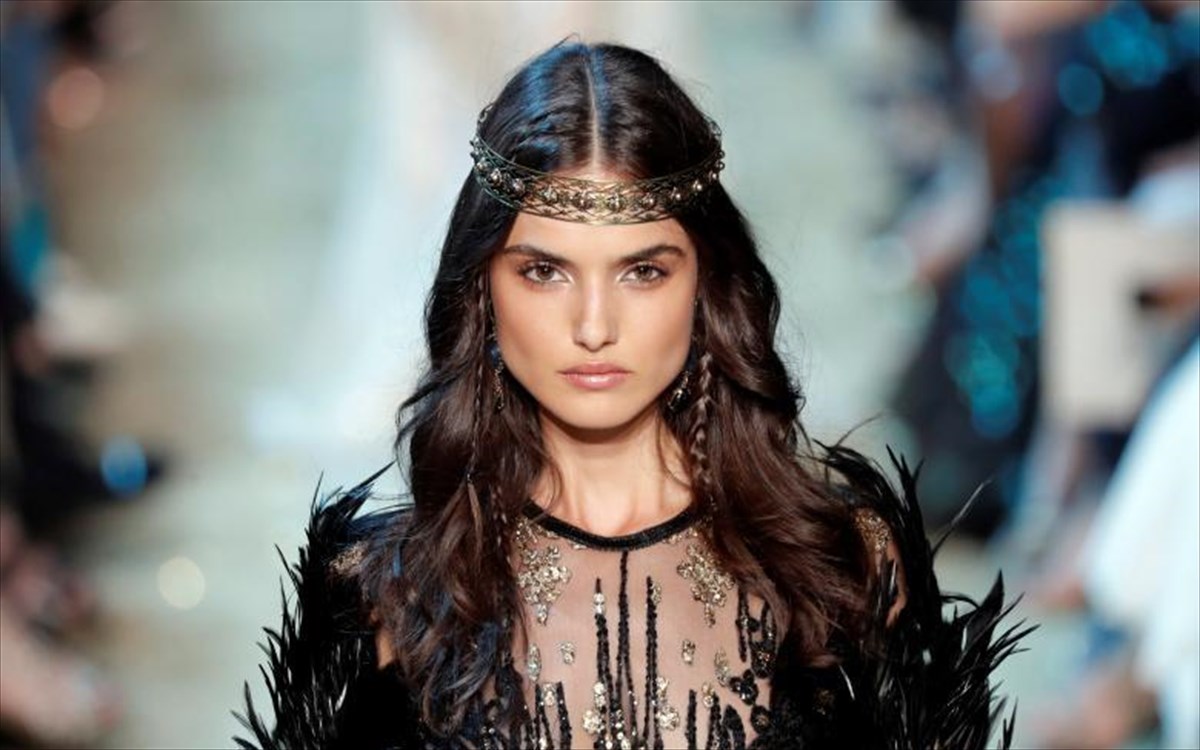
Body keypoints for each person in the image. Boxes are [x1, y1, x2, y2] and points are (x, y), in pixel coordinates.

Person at [236, 42, 1027, 750]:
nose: (594, 326)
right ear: (482, 290)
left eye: (642, 271)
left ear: (705, 287)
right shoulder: (383, 592)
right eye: (544, 271)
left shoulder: (843, 567)